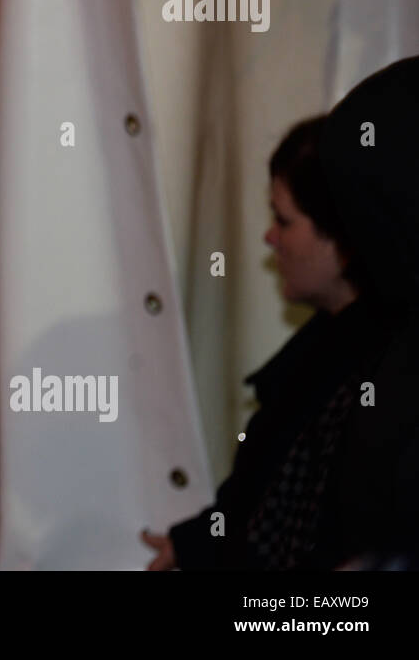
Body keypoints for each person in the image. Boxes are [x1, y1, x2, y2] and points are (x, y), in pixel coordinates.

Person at [143, 56, 419, 569]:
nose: (270, 238)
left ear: (344, 236)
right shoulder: (329, 355)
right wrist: (198, 541)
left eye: (284, 221)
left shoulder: (371, 369)